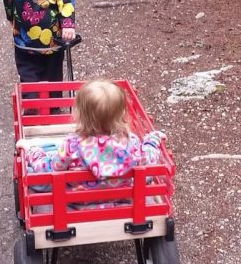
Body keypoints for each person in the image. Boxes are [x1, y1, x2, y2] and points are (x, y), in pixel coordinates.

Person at [23, 80, 165, 209]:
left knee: (37, 177)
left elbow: (49, 168)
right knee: (144, 173)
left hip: (78, 200)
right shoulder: (131, 142)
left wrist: (33, 152)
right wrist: (153, 140)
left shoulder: (71, 145)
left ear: (80, 115)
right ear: (122, 115)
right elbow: (150, 157)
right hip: (120, 195)